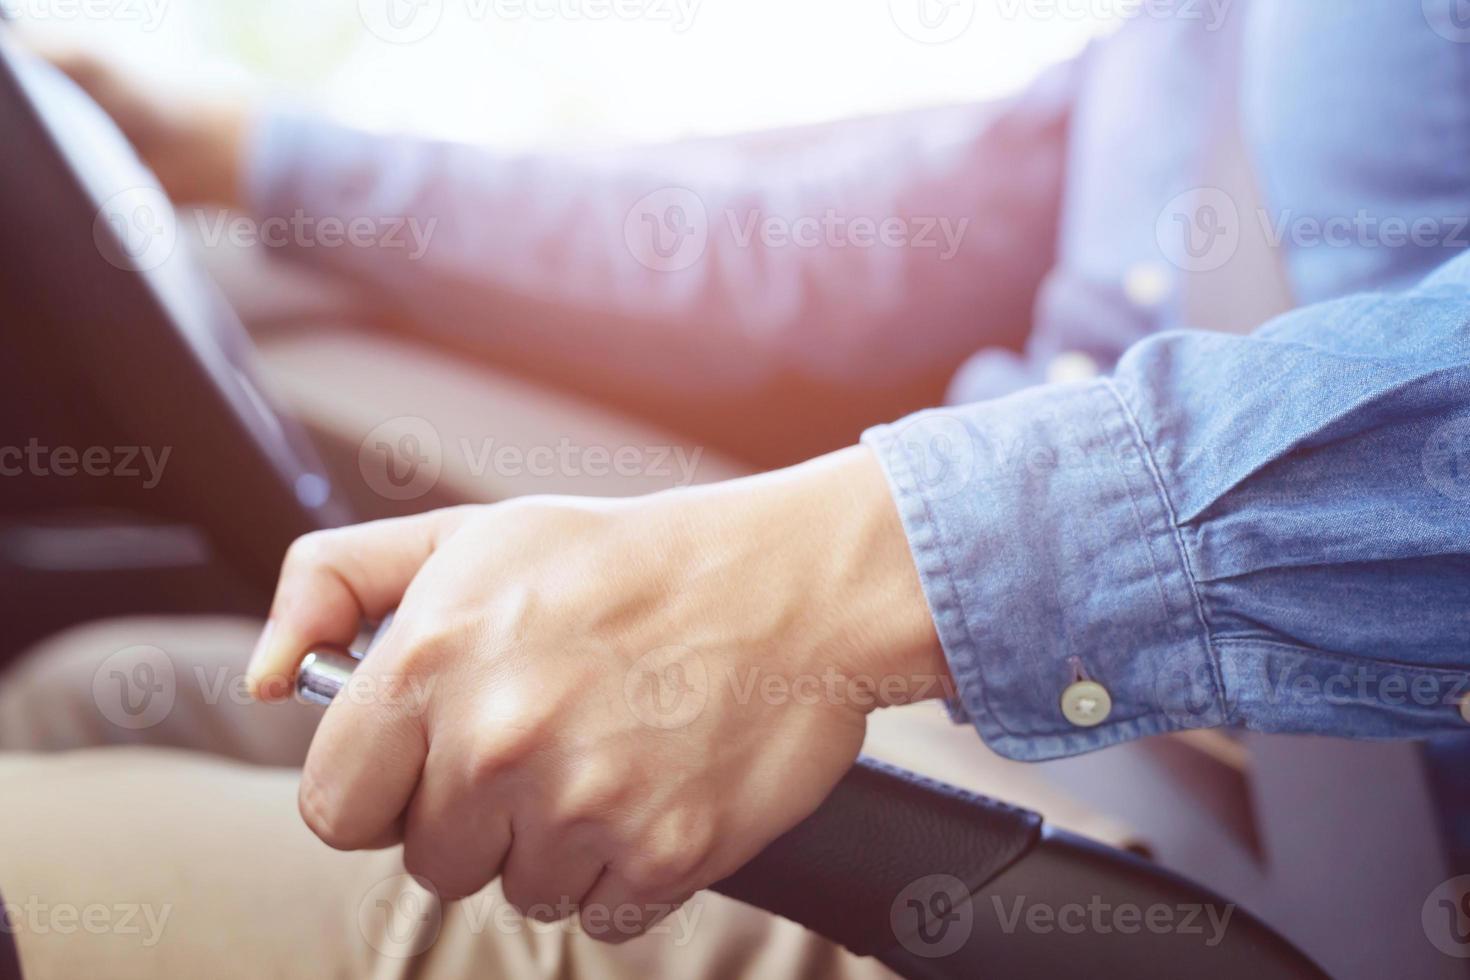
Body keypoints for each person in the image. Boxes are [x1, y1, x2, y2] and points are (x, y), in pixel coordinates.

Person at [4, 3, 1470, 976]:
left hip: (1275, 868)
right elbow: (810, 244)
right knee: (89, 689)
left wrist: (858, 571)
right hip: (999, 728)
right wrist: (262, 154)